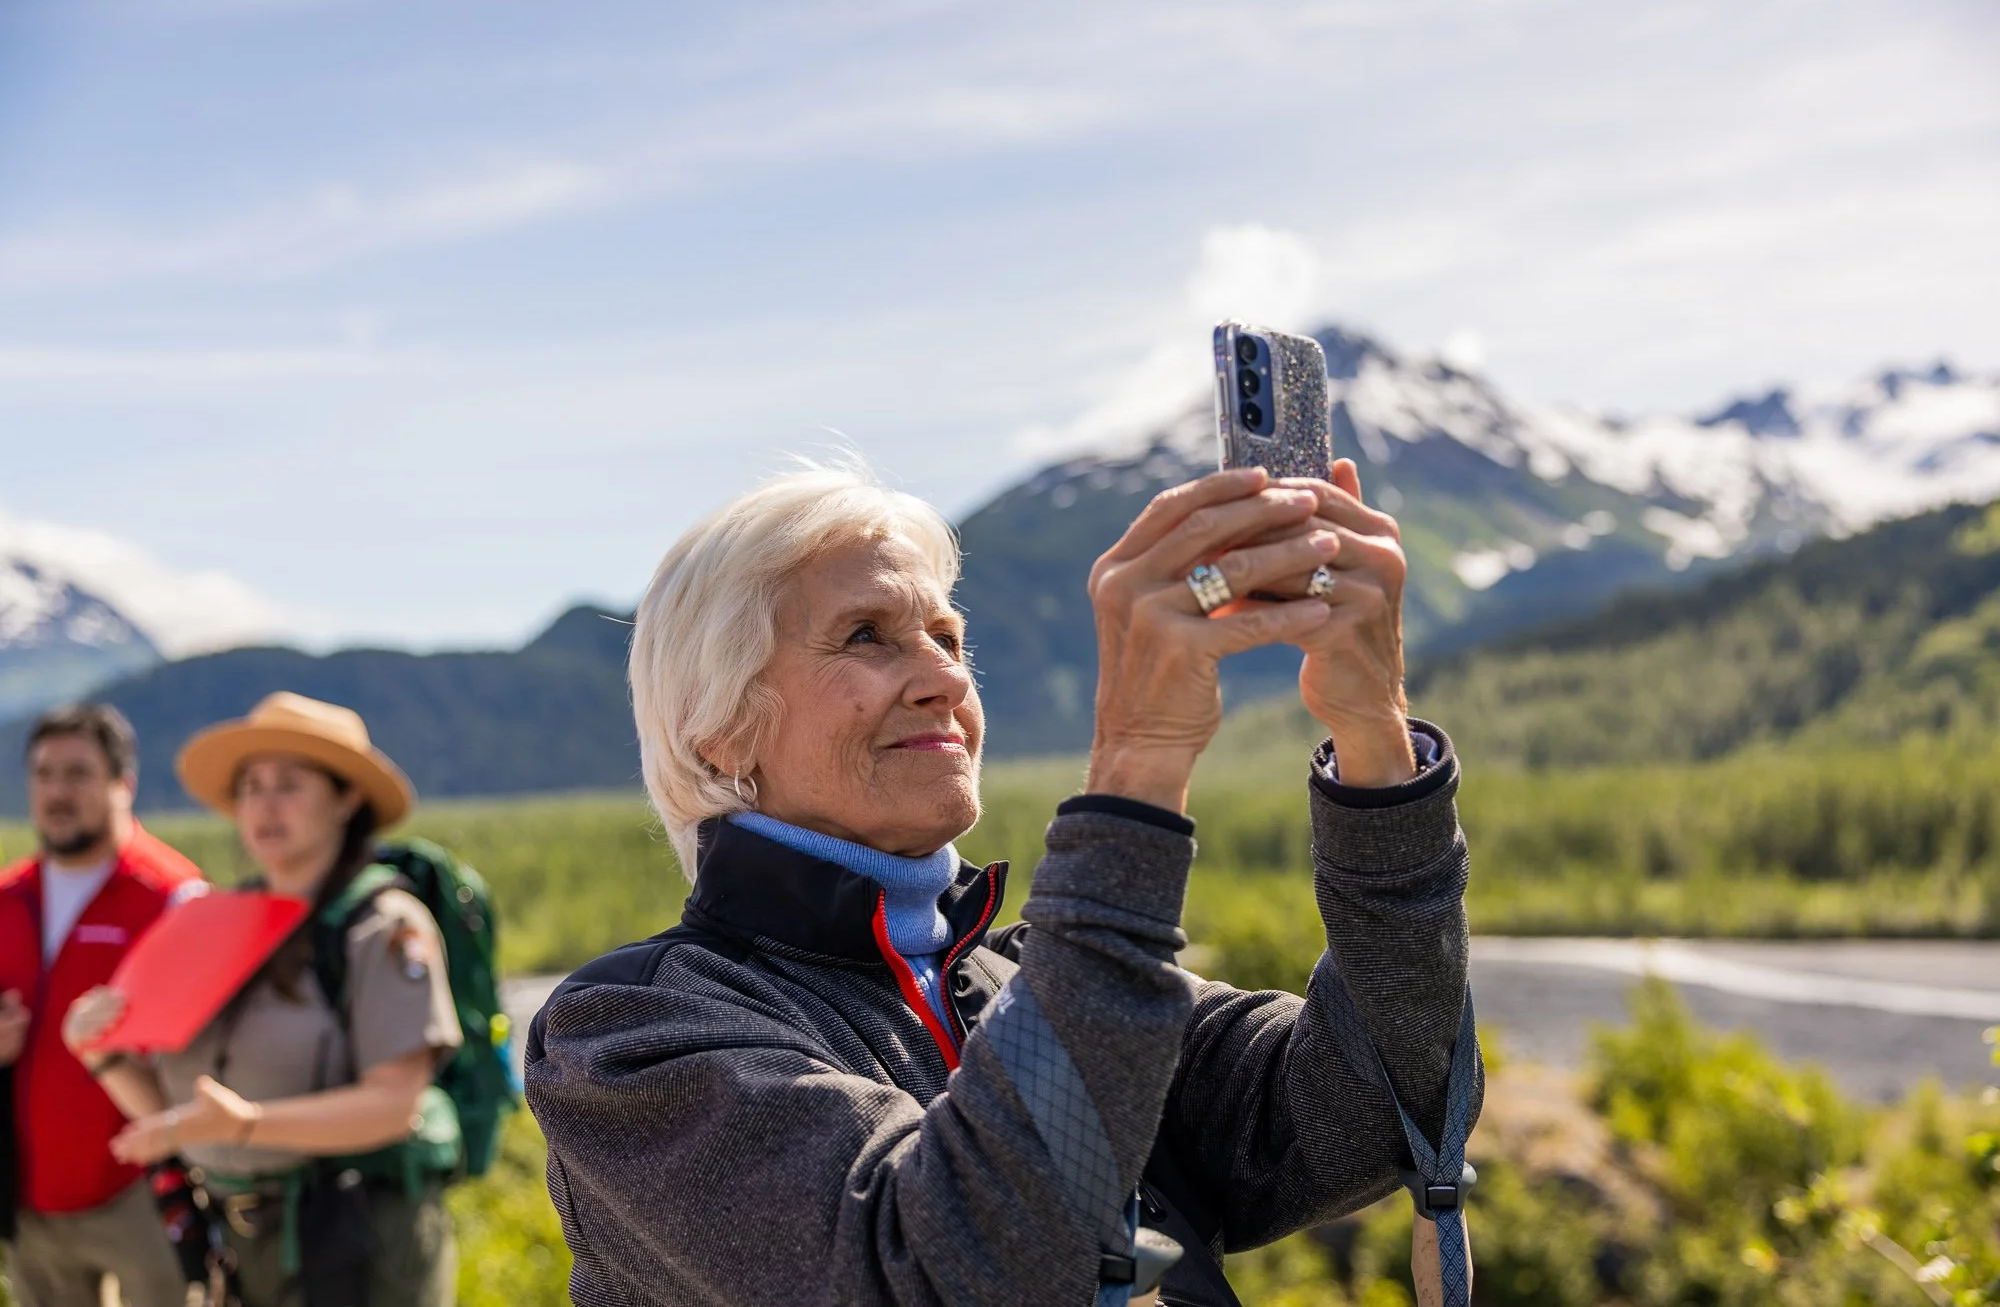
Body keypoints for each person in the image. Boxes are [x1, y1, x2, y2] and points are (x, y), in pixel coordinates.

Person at [527, 460, 1483, 1306]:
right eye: (867, 634)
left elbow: (1375, 1108)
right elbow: (946, 1269)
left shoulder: (1032, 983)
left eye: (947, 635)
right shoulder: (628, 1036)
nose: (941, 677)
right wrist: (1139, 761)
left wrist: (1375, 743)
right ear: (719, 733)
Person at [63, 693, 464, 1307]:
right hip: (243, 1241)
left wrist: (247, 1125)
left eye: (289, 785)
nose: (264, 805)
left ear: (347, 798)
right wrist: (101, 1055)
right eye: (251, 787)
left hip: (356, 1240)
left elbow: (392, 1104)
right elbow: (176, 1117)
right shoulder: (211, 922)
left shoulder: (382, 926)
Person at [0, 704, 203, 1307]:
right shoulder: (8, 898)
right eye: (44, 774)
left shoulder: (174, 898)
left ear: (124, 784)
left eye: (79, 774)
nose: (58, 792)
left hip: (142, 1193)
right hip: (31, 1196)